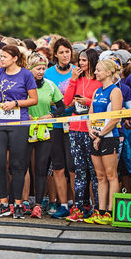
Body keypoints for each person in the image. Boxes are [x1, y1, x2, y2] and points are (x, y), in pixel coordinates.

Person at [0, 45, 38, 219]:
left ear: (15, 58)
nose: (1, 60)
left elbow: (34, 100)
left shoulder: (26, 74)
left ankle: (17, 204)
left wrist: (16, 104)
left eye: (5, 57)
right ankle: (2, 203)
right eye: (1, 56)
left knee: (17, 165)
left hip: (19, 123)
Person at [62, 48, 102, 222]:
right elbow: (66, 101)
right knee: (79, 170)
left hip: (93, 130)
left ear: (92, 61)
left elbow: (103, 103)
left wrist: (89, 102)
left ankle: (97, 208)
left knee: (94, 171)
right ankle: (78, 207)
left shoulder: (100, 81)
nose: (80, 63)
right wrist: (72, 81)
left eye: (84, 60)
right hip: (75, 128)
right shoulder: (76, 79)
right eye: (79, 60)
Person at [26, 52, 65, 218]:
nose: (41, 71)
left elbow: (62, 107)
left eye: (43, 68)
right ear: (30, 69)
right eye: (38, 69)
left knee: (41, 168)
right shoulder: (23, 84)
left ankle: (38, 205)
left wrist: (51, 115)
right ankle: (20, 202)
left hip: (45, 129)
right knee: (22, 167)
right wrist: (24, 116)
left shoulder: (50, 85)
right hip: (26, 128)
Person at [85, 59, 124, 225]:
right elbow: (90, 115)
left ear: (109, 72)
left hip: (109, 137)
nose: (95, 72)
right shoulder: (97, 91)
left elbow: (115, 118)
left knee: (111, 175)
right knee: (99, 176)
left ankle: (110, 211)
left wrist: (101, 135)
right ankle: (100, 210)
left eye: (98, 70)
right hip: (96, 136)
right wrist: (91, 131)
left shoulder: (115, 91)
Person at [45, 38, 75, 218]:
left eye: (68, 51)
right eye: (62, 52)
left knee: (73, 167)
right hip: (55, 123)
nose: (65, 55)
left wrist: (68, 104)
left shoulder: (76, 72)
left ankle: (75, 203)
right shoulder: (48, 74)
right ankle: (62, 203)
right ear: (55, 54)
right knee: (58, 166)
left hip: (73, 123)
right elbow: (44, 96)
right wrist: (58, 104)